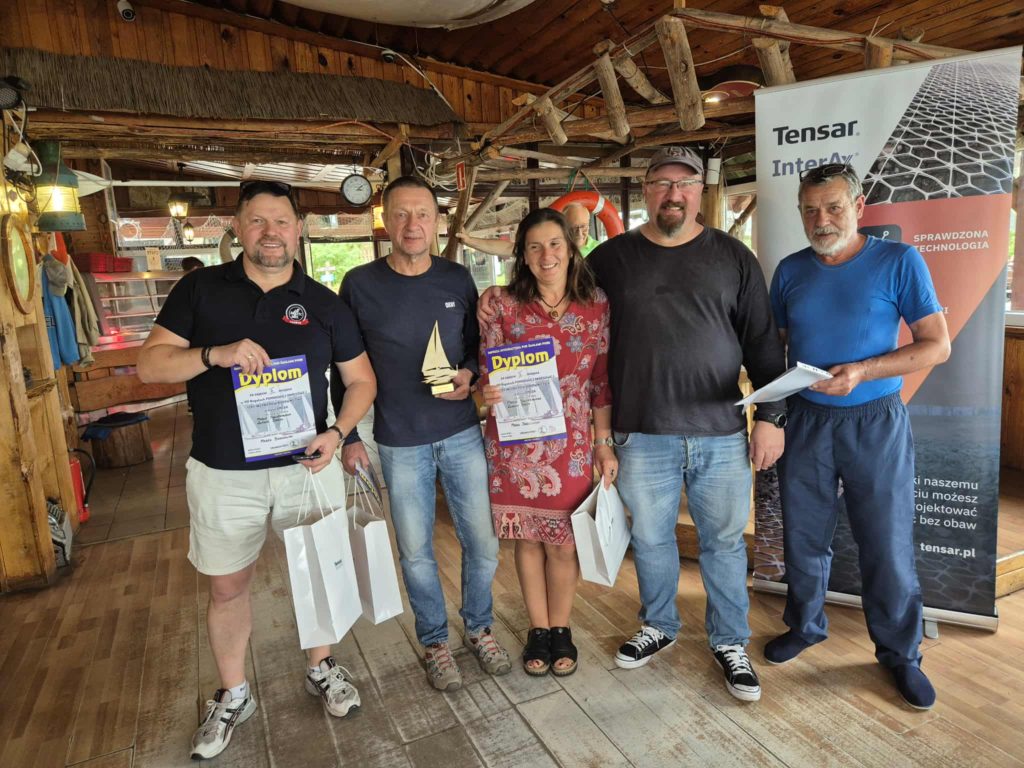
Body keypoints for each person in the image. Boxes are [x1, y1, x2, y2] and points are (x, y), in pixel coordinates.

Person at [478, 146, 787, 702]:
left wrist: (771, 416)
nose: (673, 194)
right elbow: (558, 291)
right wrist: (498, 297)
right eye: (662, 183)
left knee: (722, 542)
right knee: (649, 538)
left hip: (720, 430)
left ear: (698, 191)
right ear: (645, 190)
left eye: (684, 183)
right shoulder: (612, 260)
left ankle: (730, 641)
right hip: (641, 431)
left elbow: (763, 342)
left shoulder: (734, 257)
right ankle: (659, 625)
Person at [137, 180, 377, 760]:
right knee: (227, 586)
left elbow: (361, 381)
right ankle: (233, 692)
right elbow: (149, 366)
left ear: (300, 229)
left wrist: (338, 433)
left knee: (319, 573)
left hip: (306, 467)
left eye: (282, 221)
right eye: (258, 221)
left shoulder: (324, 303)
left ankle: (322, 667)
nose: (271, 232)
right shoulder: (200, 289)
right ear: (238, 228)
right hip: (223, 472)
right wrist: (213, 354)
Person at [766, 163, 950, 710]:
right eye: (810, 210)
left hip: (875, 420)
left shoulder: (899, 261)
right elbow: (775, 349)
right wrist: (769, 413)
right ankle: (805, 626)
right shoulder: (789, 270)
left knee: (886, 542)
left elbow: (937, 345)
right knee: (802, 536)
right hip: (806, 419)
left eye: (833, 207)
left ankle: (900, 654)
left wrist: (863, 371)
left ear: (859, 206)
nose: (821, 220)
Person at [332, 175, 511, 692]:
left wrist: (470, 374)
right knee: (415, 551)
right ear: (385, 221)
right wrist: (348, 436)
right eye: (402, 214)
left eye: (423, 214)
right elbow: (341, 367)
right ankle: (434, 641)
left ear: (436, 222)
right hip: (398, 437)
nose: (413, 224)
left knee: (482, 542)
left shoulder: (457, 278)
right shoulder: (359, 284)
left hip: (460, 432)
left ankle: (478, 629)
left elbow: (477, 347)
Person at [478, 207, 616, 677]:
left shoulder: (596, 304)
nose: (546, 255)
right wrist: (486, 389)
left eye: (554, 244)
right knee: (528, 538)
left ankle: (562, 628)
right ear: (522, 254)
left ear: (571, 248)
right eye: (534, 247)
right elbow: (486, 367)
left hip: (572, 442)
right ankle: (538, 629)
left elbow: (601, 381)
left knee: (563, 542)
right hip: (515, 442)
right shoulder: (501, 305)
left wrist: (603, 443)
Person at [457, 202, 600, 259]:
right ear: (563, 225)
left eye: (583, 227)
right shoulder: (551, 245)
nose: (579, 232)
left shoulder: (600, 250)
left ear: (589, 224)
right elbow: (508, 248)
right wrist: (470, 241)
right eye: (573, 227)